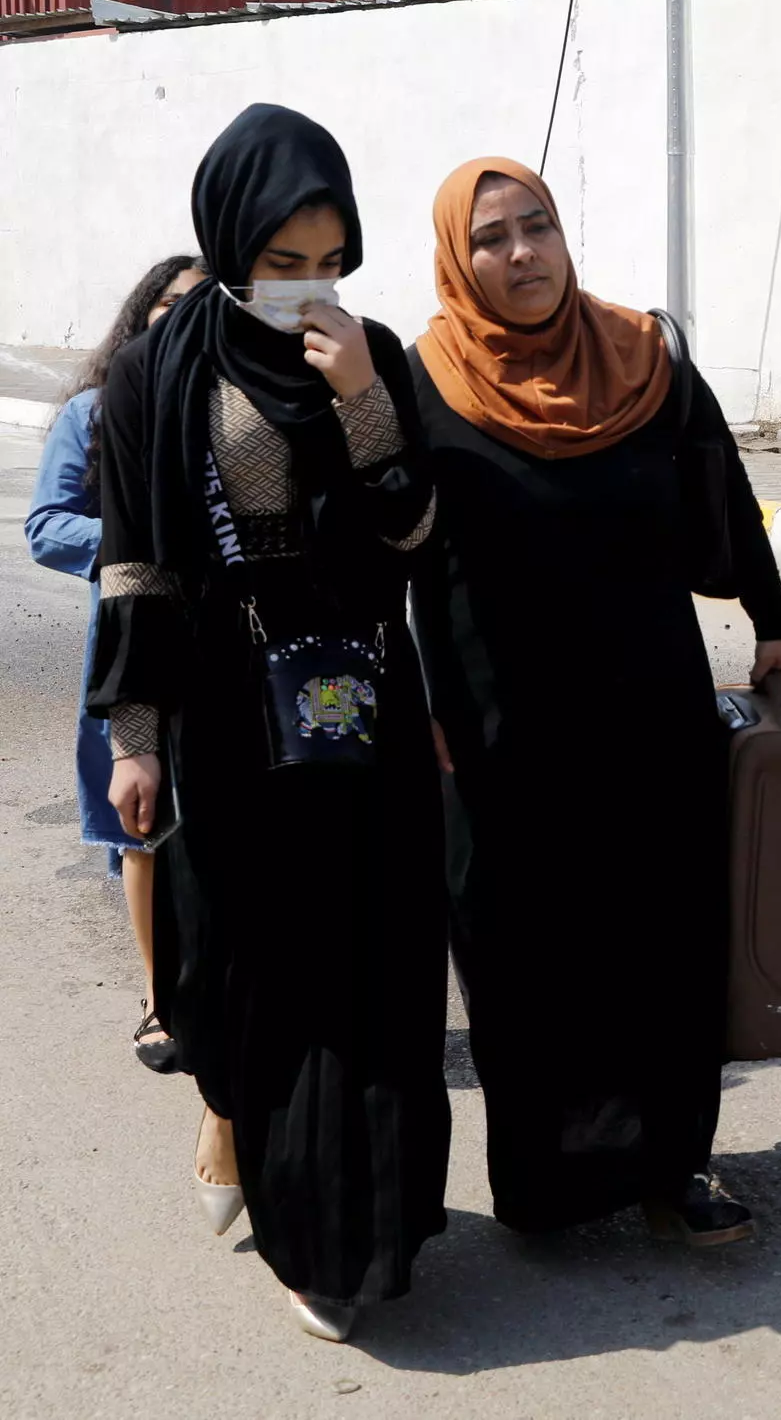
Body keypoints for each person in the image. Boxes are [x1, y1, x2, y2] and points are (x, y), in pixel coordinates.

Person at [89, 104, 449, 1343]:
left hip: (363, 703)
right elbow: (134, 566)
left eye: (329, 262)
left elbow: (415, 535)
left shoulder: (375, 353)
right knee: (271, 970)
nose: (307, 289)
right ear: (232, 243)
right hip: (234, 717)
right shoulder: (157, 372)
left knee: (380, 963)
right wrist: (134, 736)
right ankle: (293, 1203)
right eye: (282, 265)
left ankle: (375, 1230)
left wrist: (360, 399)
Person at [408, 157, 781, 1248]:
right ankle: (548, 1186)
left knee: (665, 945)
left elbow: (724, 483)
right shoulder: (422, 381)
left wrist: (770, 622)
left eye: (538, 226)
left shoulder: (644, 360)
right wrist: (414, 696)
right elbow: (386, 544)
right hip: (497, 733)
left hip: (648, 712)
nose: (521, 252)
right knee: (525, 963)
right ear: (458, 256)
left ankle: (679, 1162)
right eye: (492, 238)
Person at [26, 253, 205, 1073]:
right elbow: (47, 527)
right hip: (133, 633)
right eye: (172, 303)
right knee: (143, 825)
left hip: (226, 639)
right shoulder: (96, 413)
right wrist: (137, 541)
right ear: (143, 313)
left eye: (204, 304)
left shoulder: (234, 409)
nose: (187, 317)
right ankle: (158, 998)